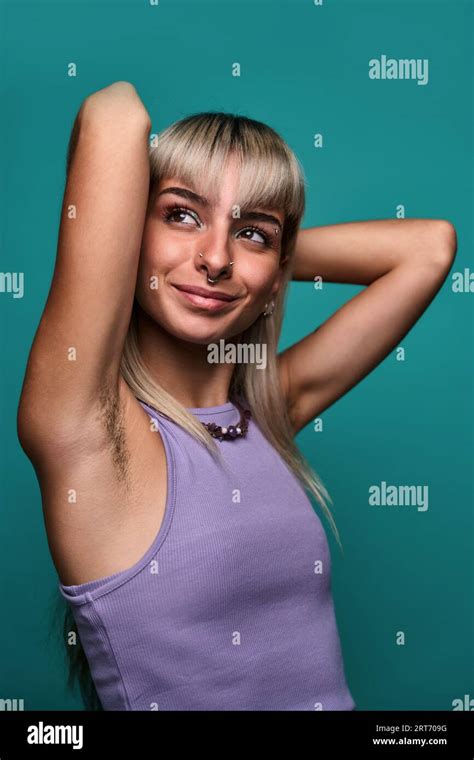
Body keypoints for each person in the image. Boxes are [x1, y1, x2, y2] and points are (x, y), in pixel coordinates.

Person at [17, 81, 457, 711]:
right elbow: (114, 113)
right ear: (127, 233)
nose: (215, 258)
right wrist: (227, 254)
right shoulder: (87, 431)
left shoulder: (267, 415)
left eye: (252, 232)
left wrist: (263, 266)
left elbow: (429, 247)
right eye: (180, 215)